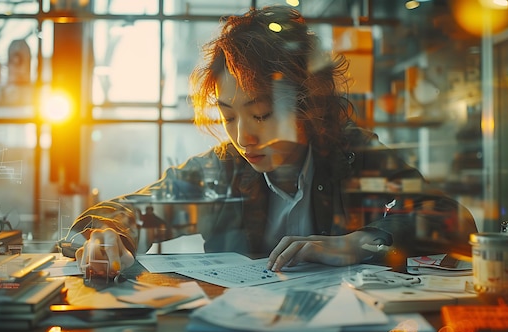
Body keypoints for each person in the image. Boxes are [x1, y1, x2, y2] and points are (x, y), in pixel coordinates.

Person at [61, 5, 477, 279]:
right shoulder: (221, 171)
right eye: (227, 116)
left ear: (306, 104)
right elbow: (136, 210)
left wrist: (357, 242)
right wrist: (109, 233)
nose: (243, 137)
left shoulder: (354, 156)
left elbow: (451, 218)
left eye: (260, 114)